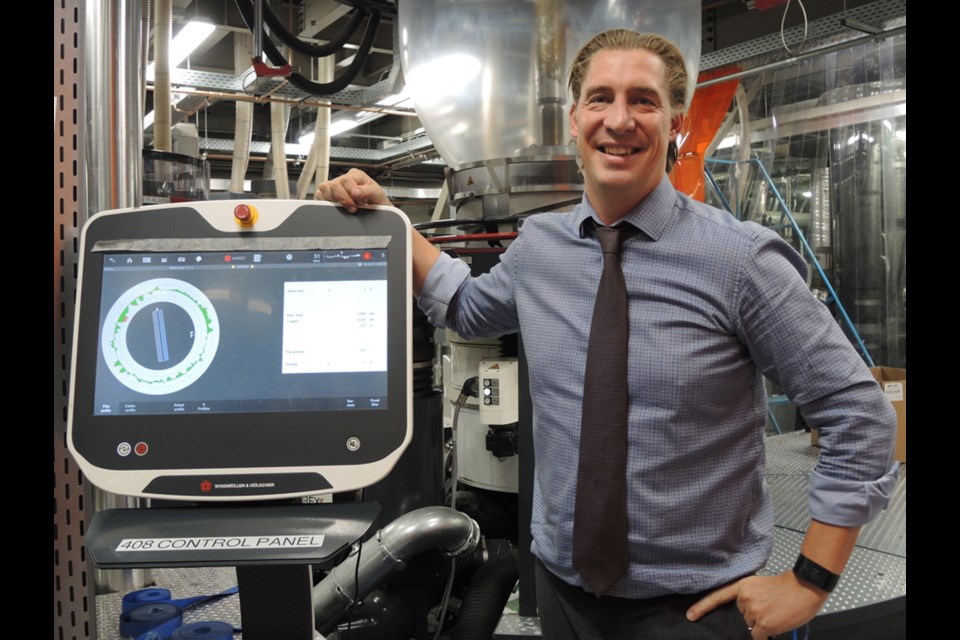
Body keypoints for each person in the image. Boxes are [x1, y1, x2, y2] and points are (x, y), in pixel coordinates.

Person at [317, 29, 898, 640]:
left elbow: (858, 413)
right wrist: (389, 219)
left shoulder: (740, 261)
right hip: (565, 598)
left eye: (643, 101)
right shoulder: (541, 247)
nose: (618, 120)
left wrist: (809, 580)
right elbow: (466, 305)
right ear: (574, 118)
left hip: (696, 610)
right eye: (600, 98)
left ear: (675, 123)